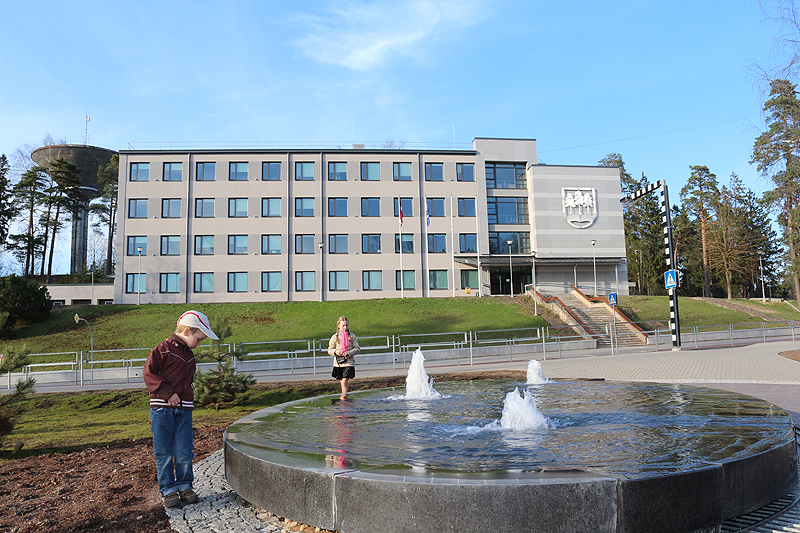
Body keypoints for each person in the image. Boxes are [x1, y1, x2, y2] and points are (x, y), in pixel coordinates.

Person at [143, 310, 218, 508]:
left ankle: (185, 486)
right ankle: (168, 489)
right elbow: (149, 374)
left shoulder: (189, 356)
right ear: (187, 331)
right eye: (199, 339)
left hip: (184, 411)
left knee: (184, 450)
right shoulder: (162, 350)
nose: (199, 343)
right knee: (164, 451)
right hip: (162, 410)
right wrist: (167, 393)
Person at [328, 316, 360, 400]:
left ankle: (343, 398)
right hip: (339, 363)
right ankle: (344, 401)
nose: (345, 327)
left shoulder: (352, 336)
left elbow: (357, 348)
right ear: (338, 325)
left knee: (344, 382)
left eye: (347, 325)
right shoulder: (335, 337)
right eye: (343, 325)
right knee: (342, 383)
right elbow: (329, 350)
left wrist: (348, 353)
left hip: (348, 363)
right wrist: (336, 351)